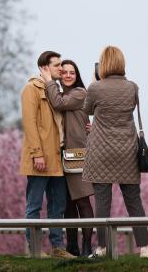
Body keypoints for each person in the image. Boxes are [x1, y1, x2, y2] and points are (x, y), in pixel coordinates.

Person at [82, 46, 148, 259]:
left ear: (102, 64)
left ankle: (102, 249)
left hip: (101, 151)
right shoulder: (132, 87)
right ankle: (145, 249)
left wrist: (94, 81)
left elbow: (87, 110)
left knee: (103, 203)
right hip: (127, 151)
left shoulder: (95, 88)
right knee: (134, 202)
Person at [20, 51, 75, 259]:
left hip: (57, 158)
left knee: (58, 205)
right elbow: (30, 124)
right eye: (57, 65)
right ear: (44, 67)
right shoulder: (31, 89)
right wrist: (37, 154)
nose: (61, 68)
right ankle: (33, 248)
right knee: (34, 205)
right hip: (41, 157)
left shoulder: (55, 90)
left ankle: (57, 248)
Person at [41, 59, 95, 257]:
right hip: (62, 155)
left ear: (77, 75)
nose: (68, 75)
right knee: (68, 204)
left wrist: (49, 81)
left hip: (78, 155)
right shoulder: (63, 93)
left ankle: (87, 245)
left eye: (72, 72)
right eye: (64, 72)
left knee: (82, 201)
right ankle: (72, 246)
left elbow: (58, 103)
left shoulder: (79, 93)